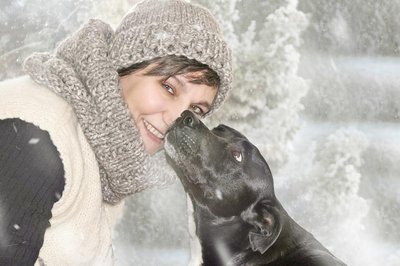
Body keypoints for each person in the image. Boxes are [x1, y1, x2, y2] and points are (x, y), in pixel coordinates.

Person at [0, 0, 232, 264]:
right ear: (124, 63)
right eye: (169, 87)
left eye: (196, 110)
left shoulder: (106, 157)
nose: (175, 120)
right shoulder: (36, 137)